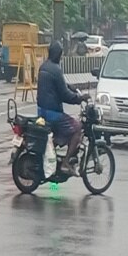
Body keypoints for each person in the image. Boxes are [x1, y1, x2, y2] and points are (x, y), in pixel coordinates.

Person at [37, 40, 88, 172]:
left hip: (41, 111)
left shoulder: (43, 67)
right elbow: (65, 95)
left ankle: (56, 148)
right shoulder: (56, 69)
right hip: (53, 114)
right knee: (77, 128)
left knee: (65, 128)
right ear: (59, 55)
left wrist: (72, 88)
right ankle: (66, 162)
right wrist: (79, 99)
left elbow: (60, 86)